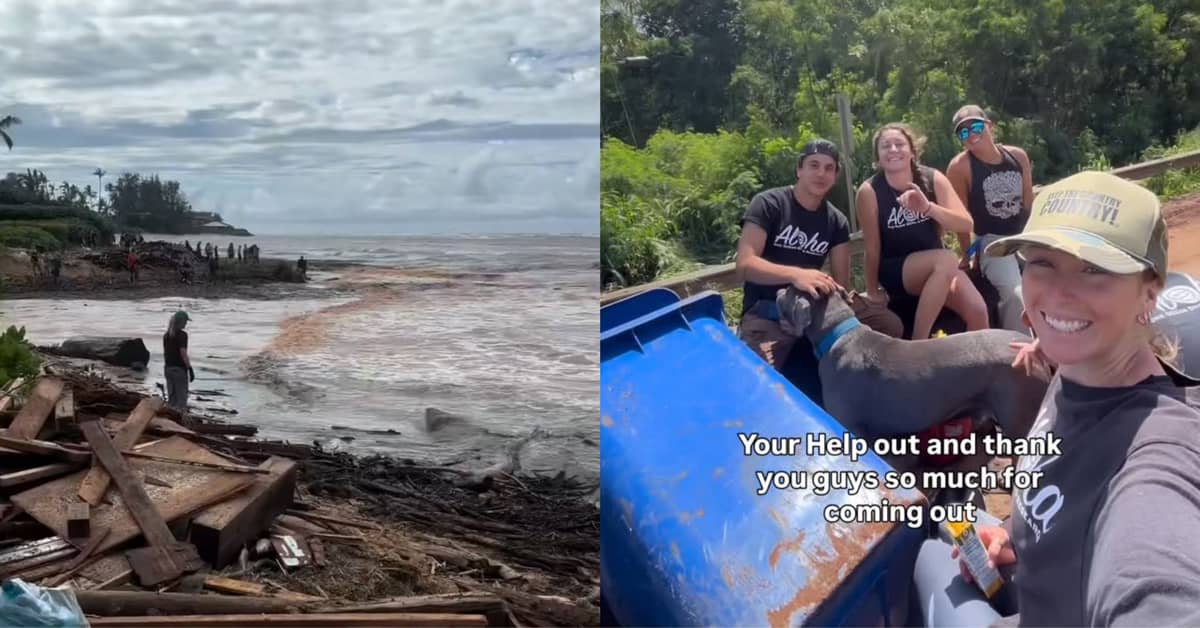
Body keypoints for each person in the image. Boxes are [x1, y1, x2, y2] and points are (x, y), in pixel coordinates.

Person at [948, 171, 1200, 625]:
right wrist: (1014, 536)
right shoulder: (1082, 365)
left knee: (927, 567)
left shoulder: (1157, 456)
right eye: (1043, 262)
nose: (1060, 294)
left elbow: (1158, 583)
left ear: (1150, 291)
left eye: (1095, 269)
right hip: (1027, 580)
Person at [735, 139, 904, 404]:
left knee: (889, 324)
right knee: (757, 387)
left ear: (835, 176)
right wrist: (795, 275)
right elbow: (745, 265)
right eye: (813, 165)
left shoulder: (836, 220)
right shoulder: (769, 204)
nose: (821, 173)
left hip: (815, 309)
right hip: (767, 312)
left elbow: (841, 281)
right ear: (799, 169)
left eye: (829, 168)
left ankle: (872, 398)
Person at [857, 123, 989, 340]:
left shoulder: (932, 178)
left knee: (978, 309)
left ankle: (978, 367)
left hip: (939, 267)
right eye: (885, 146)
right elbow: (872, 247)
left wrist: (927, 208)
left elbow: (966, 224)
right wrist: (872, 290)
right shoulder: (869, 191)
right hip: (897, 268)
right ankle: (919, 342)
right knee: (946, 258)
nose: (893, 150)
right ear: (877, 158)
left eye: (899, 144)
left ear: (911, 151)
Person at [946, 105, 1034, 333]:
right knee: (1016, 296)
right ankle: (1019, 353)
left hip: (1025, 235)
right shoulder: (960, 168)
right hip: (991, 241)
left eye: (975, 126)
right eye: (963, 133)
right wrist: (968, 255)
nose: (971, 135)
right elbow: (961, 219)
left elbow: (1028, 203)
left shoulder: (1017, 156)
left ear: (989, 126)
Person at [162, 310, 195, 413]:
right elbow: (183, 353)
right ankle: (181, 423)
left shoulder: (166, 335)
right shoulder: (182, 335)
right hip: (179, 370)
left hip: (168, 369)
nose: (186, 323)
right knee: (181, 401)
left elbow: (166, 353)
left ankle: (171, 421)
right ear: (181, 321)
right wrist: (190, 368)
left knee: (172, 400)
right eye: (185, 321)